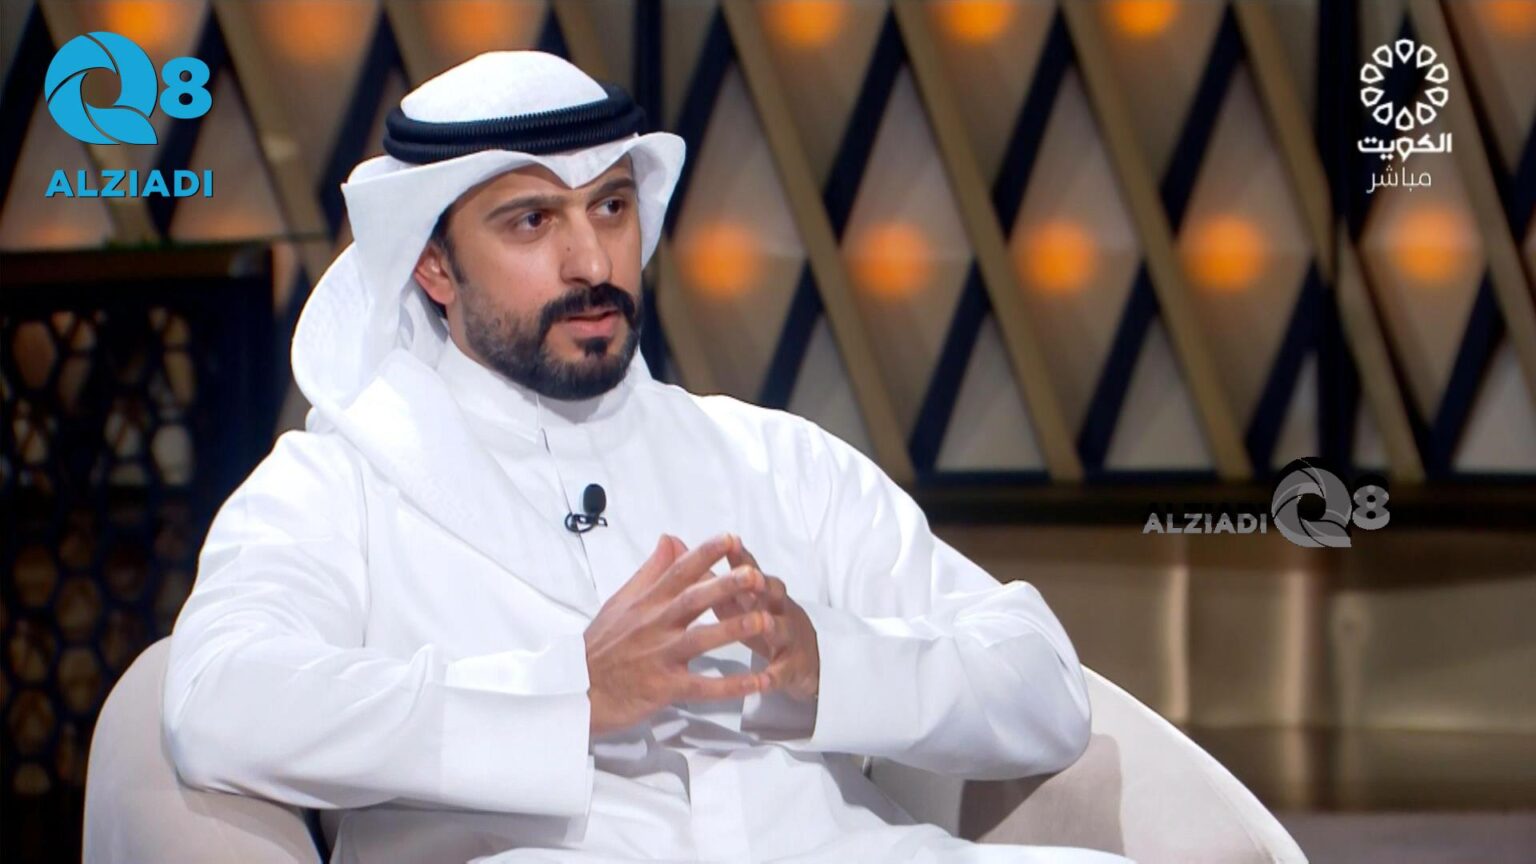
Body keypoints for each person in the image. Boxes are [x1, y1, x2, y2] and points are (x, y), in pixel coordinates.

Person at [162, 51, 1123, 864]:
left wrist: (826, 662)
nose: (593, 263)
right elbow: (217, 701)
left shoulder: (774, 458)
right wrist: (568, 695)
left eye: (612, 207)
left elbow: (1040, 680)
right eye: (533, 221)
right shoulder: (339, 484)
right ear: (434, 265)